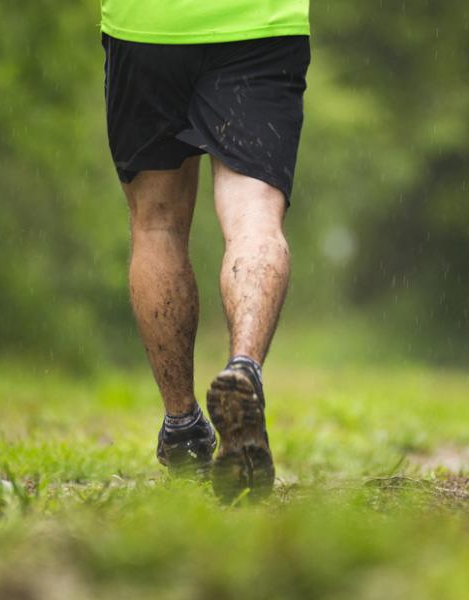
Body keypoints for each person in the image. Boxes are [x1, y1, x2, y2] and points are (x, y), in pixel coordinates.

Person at [100, 0, 311, 500]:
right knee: (255, 215)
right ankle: (245, 370)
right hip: (259, 25)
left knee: (157, 227)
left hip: (146, 25)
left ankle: (182, 426)